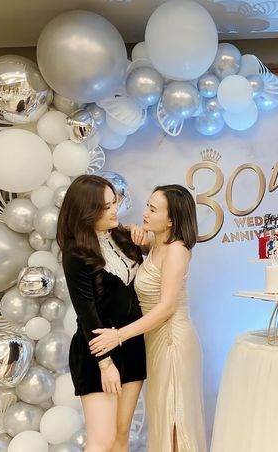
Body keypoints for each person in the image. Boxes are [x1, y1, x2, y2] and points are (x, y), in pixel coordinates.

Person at [89, 184, 207, 452]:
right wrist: (134, 231)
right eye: (147, 206)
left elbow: (166, 308)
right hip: (155, 340)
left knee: (174, 419)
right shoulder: (158, 244)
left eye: (153, 210)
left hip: (172, 341)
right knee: (163, 415)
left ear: (171, 220)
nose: (145, 213)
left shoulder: (176, 250)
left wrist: (118, 335)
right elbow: (140, 241)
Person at [57, 174, 146, 452]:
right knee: (102, 441)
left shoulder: (123, 236)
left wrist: (142, 240)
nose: (114, 210)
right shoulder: (75, 251)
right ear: (87, 211)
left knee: (121, 437)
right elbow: (86, 312)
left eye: (114, 202)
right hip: (98, 350)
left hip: (132, 343)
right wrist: (105, 365)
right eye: (106, 207)